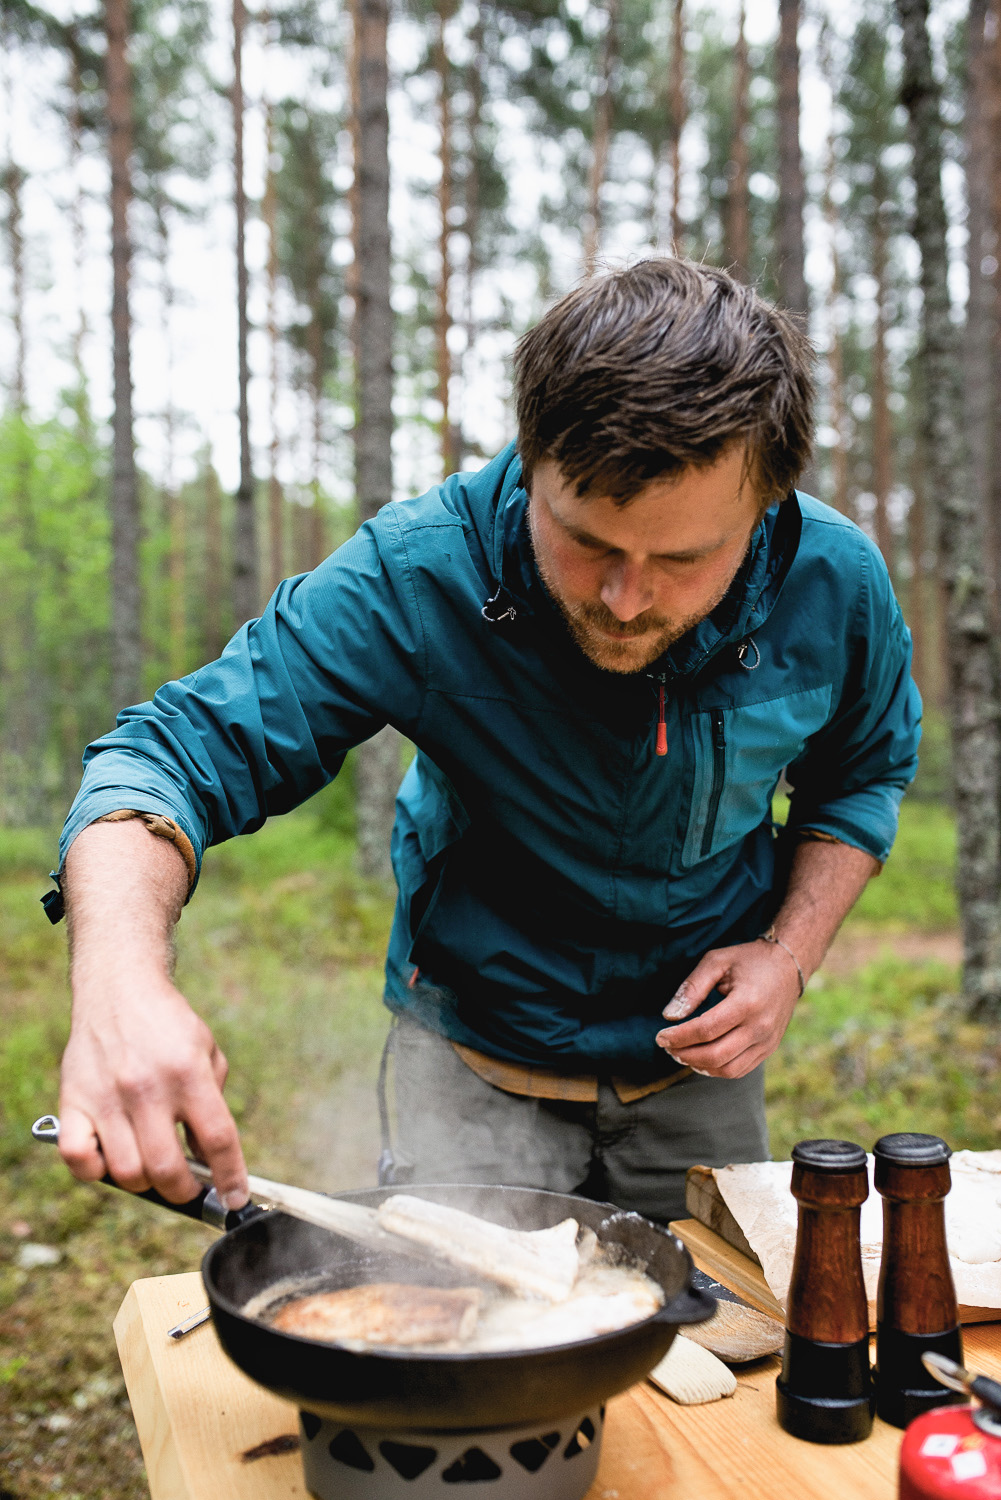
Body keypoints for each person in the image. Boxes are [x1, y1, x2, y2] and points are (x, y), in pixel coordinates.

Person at [51, 259, 920, 1225]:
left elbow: (860, 776)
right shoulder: (420, 573)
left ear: (765, 506)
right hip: (469, 1056)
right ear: (531, 457)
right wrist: (120, 984)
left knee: (715, 1355)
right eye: (585, 538)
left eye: (680, 559)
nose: (624, 600)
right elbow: (168, 757)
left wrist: (787, 953)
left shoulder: (836, 584)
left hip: (699, 1077)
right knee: (451, 1349)